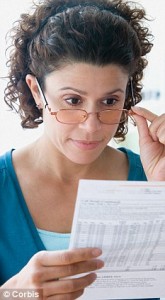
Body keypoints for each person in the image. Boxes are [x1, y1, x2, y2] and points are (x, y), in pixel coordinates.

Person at [0, 0, 164, 298]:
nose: (91, 126)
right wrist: (12, 295)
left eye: (110, 101)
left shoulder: (154, 180)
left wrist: (160, 190)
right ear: (37, 91)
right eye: (73, 101)